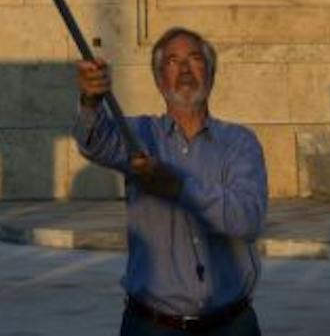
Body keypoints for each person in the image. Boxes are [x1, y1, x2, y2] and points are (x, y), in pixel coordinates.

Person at [76, 27, 268, 335]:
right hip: (152, 325)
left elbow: (246, 219)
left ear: (211, 72)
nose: (184, 69)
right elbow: (93, 141)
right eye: (172, 61)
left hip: (231, 325)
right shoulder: (138, 135)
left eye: (194, 59)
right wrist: (90, 99)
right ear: (158, 79)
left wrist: (177, 187)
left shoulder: (239, 142)